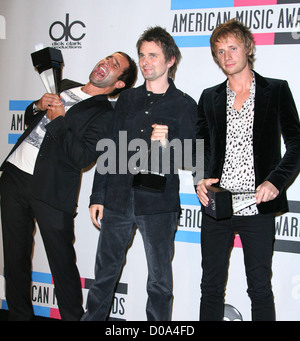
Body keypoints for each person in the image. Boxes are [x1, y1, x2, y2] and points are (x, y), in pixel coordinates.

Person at [0, 51, 137, 321]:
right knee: (14, 261)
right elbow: (30, 119)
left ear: (119, 83)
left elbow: (83, 157)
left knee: (62, 266)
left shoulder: (106, 115)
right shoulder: (63, 86)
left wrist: (60, 119)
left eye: (115, 64)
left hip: (52, 191)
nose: (105, 63)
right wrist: (39, 106)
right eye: (107, 58)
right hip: (14, 176)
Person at [81, 26, 197, 321]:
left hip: (158, 204)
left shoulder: (184, 104)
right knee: (104, 274)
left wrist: (170, 142)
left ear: (170, 60)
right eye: (142, 55)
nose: (146, 62)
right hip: (118, 199)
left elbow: (196, 156)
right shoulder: (127, 100)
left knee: (159, 281)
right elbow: (109, 149)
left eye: (153, 55)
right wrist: (98, 196)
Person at [196, 19, 300, 321]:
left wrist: (276, 182)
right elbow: (200, 147)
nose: (227, 56)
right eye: (220, 51)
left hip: (258, 205)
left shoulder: (276, 90)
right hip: (217, 206)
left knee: (259, 288)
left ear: (249, 48)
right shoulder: (209, 97)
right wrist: (199, 179)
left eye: (233, 48)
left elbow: (295, 143)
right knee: (210, 287)